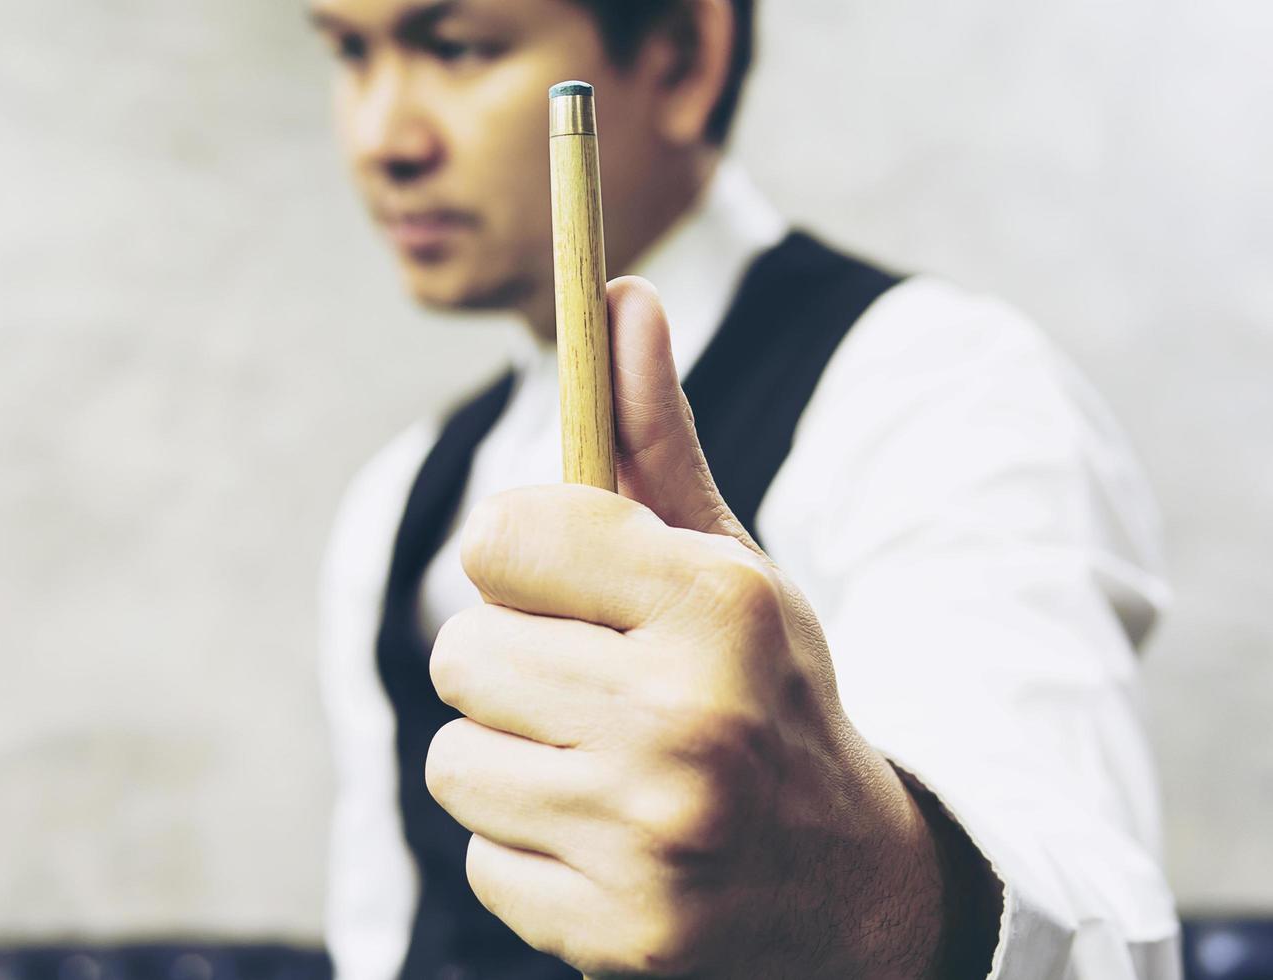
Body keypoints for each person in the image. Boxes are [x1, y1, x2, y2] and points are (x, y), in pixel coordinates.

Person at [310, 1, 1180, 978]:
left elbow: (1099, 917)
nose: (383, 137)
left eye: (457, 49)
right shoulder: (398, 495)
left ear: (682, 58)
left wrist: (875, 890)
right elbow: (382, 932)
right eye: (348, 51)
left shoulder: (943, 392)